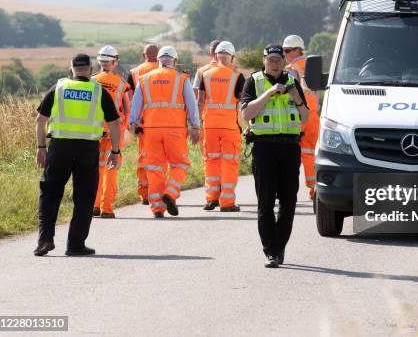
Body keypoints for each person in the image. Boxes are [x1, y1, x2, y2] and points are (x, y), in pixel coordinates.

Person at [34, 54, 121, 256]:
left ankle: (45, 240)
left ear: (71, 68)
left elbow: (40, 120)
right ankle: (75, 245)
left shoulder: (59, 88)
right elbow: (115, 123)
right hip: (88, 150)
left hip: (59, 147)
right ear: (90, 69)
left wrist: (41, 147)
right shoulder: (98, 91)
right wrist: (115, 151)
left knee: (50, 193)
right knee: (84, 197)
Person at [241, 45, 309, 268]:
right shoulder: (254, 81)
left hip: (289, 148)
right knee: (266, 203)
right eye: (271, 59)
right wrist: (269, 93)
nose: (275, 63)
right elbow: (247, 114)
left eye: (278, 59)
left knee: (289, 203)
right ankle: (271, 250)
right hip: (264, 148)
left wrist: (297, 97)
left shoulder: (292, 81)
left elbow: (305, 116)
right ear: (264, 61)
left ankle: (279, 246)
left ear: (283, 61)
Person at [129, 46, 200, 218]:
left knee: (154, 168)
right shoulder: (182, 79)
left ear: (159, 60)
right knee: (180, 164)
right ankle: (170, 192)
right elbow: (192, 105)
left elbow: (135, 107)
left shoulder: (144, 79)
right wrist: (195, 127)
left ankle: (157, 208)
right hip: (175, 130)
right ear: (174, 61)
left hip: (150, 131)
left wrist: (134, 124)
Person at [198, 41, 245, 211]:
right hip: (229, 127)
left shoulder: (206, 75)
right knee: (229, 162)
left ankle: (211, 199)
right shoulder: (237, 77)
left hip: (209, 126)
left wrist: (197, 125)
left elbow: (200, 101)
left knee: (211, 161)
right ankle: (227, 202)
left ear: (216, 56)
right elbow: (244, 101)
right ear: (232, 57)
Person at [92, 45, 131, 218]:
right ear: (114, 62)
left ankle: (94, 206)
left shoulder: (91, 81)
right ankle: (106, 208)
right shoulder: (122, 84)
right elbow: (127, 109)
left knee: (95, 170)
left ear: (99, 62)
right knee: (111, 169)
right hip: (114, 132)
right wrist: (126, 128)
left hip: (93, 132)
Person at [283, 35, 320, 201]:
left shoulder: (291, 68)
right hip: (313, 115)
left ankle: (287, 190)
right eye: (284, 51)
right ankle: (315, 189)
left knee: (291, 152)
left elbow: (288, 93)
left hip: (298, 115)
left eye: (287, 50)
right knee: (311, 152)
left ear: (298, 50)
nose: (285, 54)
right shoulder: (313, 64)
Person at [129, 44, 160, 205]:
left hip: (141, 123)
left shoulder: (134, 73)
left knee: (144, 157)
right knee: (160, 159)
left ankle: (145, 193)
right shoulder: (168, 71)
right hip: (162, 122)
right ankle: (159, 191)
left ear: (143, 55)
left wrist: (132, 122)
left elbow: (130, 99)